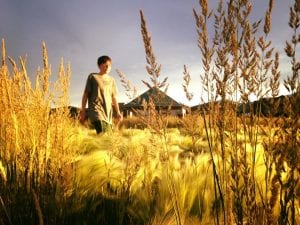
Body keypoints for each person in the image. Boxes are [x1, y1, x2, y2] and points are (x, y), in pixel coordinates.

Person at [80, 55, 122, 134]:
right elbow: (85, 94)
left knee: (108, 136)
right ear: (100, 65)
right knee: (102, 132)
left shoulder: (111, 80)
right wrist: (83, 111)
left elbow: (114, 97)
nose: (108, 67)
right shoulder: (93, 77)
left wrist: (118, 112)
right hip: (96, 110)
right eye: (106, 65)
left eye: (109, 66)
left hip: (108, 112)